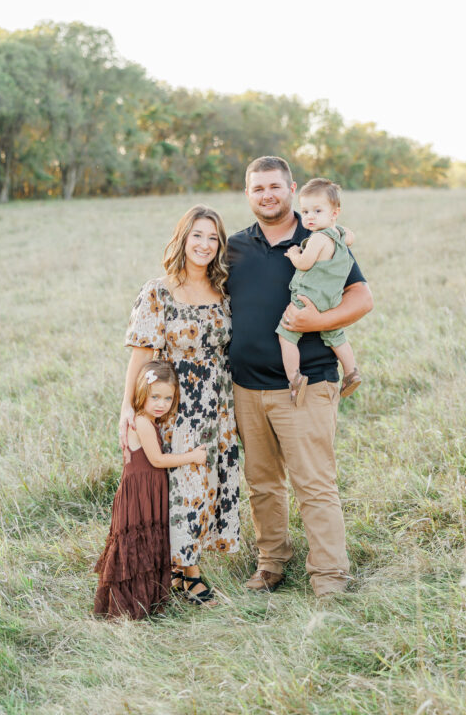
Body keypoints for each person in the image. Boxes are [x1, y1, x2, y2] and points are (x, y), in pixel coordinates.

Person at [227, 156, 373, 598]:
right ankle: (271, 563)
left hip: (306, 382)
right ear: (248, 194)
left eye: (275, 186)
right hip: (246, 387)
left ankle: (329, 577)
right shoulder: (234, 246)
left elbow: (362, 297)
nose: (267, 194)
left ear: (291, 189)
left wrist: (316, 322)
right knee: (262, 482)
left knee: (314, 482)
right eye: (258, 188)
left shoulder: (320, 237)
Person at [118, 205, 241, 606]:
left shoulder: (223, 293)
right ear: (183, 239)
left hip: (218, 404)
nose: (205, 245)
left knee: (210, 483)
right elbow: (140, 357)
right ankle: (187, 573)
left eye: (213, 238)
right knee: (184, 484)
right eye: (197, 236)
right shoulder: (158, 291)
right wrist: (127, 411)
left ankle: (183, 562)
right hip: (175, 405)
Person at [94, 361, 207, 619]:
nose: (161, 404)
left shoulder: (149, 420)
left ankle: (147, 601)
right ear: (141, 393)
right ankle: (130, 607)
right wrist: (192, 456)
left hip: (149, 491)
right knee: (137, 545)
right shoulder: (142, 422)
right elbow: (156, 460)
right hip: (139, 494)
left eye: (168, 398)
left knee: (148, 544)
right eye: (155, 396)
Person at [277, 177, 362, 406]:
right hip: (332, 300)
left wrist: (294, 253)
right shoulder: (340, 234)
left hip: (308, 298)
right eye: (305, 211)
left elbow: (304, 263)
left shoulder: (317, 238)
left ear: (334, 212)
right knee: (335, 335)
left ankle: (295, 378)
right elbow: (351, 237)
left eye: (317, 210)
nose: (310, 217)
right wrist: (342, 232)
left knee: (286, 336)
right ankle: (351, 371)